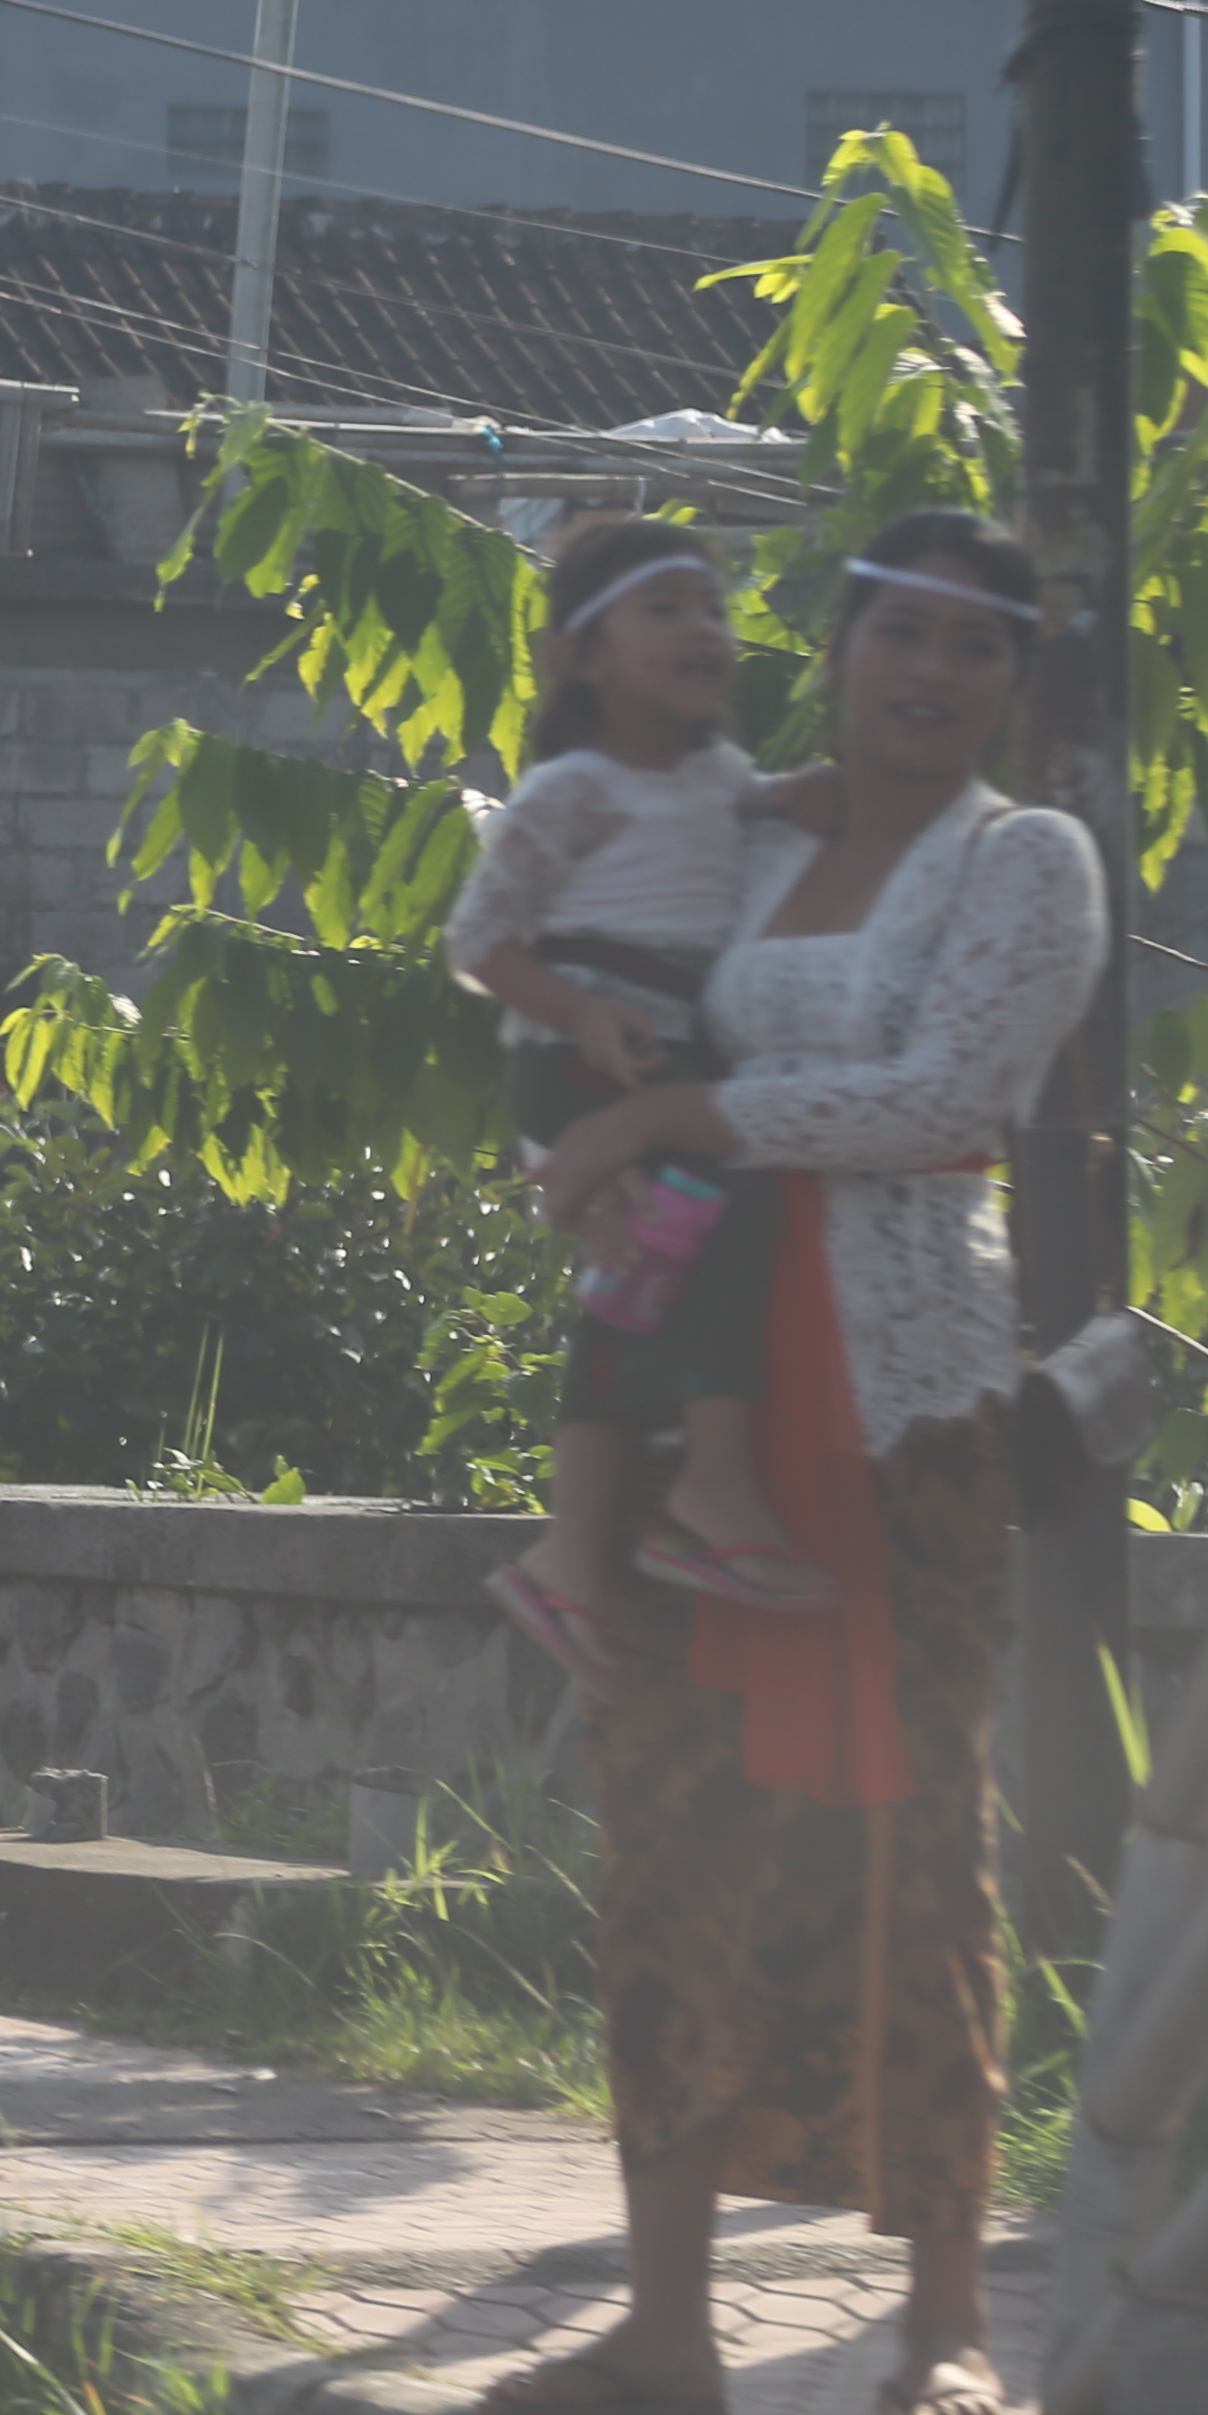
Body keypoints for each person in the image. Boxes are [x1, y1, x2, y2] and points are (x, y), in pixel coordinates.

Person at [472, 511, 1106, 2415]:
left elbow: (947, 1102)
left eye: (970, 649)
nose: (928, 673)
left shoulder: (1027, 862)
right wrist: (599, 1116)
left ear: (1013, 683)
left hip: (906, 1417)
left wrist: (685, 1113)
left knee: (918, 1852)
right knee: (666, 1837)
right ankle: (667, 2323)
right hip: (696, 1416)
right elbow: (588, 971)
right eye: (894, 634)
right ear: (832, 650)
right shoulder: (738, 833)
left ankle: (944, 2326)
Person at [448, 516, 828, 1691]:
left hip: (665, 1053)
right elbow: (478, 943)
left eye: (713, 610)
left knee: (639, 1285)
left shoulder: (720, 778)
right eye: (666, 609)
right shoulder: (570, 790)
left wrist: (812, 797)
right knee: (733, 1211)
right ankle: (709, 1479)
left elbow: (755, 816)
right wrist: (579, 1018)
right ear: (583, 657)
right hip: (586, 1057)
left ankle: (572, 1551)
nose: (703, 630)